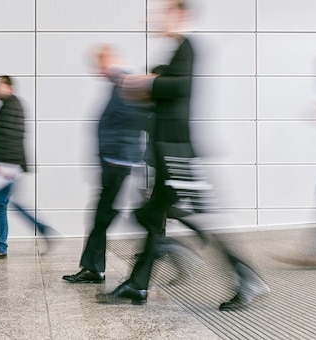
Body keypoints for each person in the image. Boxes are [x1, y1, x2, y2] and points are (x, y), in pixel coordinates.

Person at [95, 0, 269, 311]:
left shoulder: (189, 46)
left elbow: (181, 87)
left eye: (166, 13)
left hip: (177, 152)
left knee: (196, 219)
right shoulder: (176, 50)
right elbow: (165, 94)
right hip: (167, 152)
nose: (159, 19)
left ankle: (246, 277)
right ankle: (138, 284)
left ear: (181, 16)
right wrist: (144, 87)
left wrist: (148, 82)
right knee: (154, 218)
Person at [62, 45, 149, 283]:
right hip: (115, 162)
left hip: (117, 163)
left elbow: (135, 121)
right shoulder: (119, 83)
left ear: (106, 61)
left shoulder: (124, 81)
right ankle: (94, 266)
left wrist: (117, 156)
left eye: (98, 63)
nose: (96, 69)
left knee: (103, 217)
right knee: (103, 217)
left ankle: (95, 268)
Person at [0, 76, 56, 259]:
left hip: (8, 165)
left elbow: (7, 137)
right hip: (10, 163)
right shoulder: (11, 105)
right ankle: (43, 229)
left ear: (8, 87)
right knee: (8, 203)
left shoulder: (10, 106)